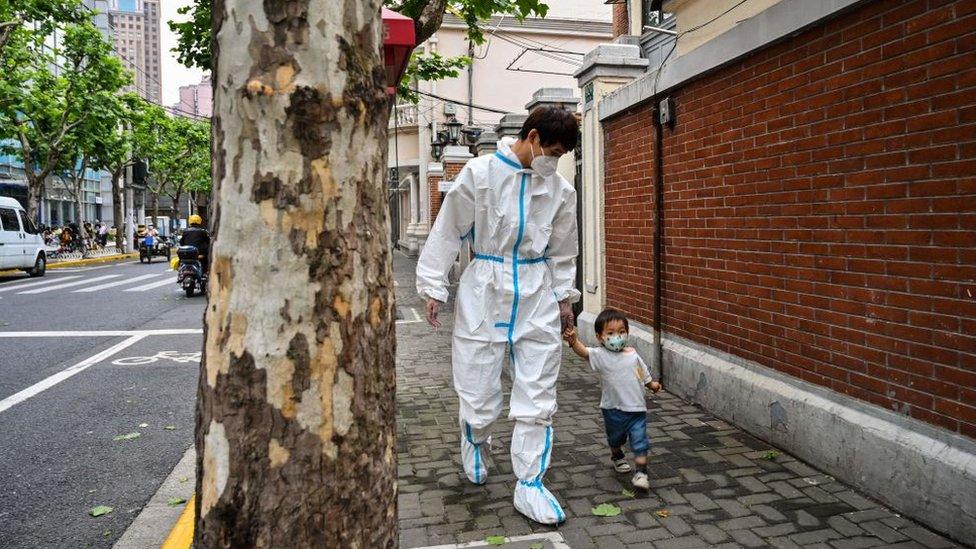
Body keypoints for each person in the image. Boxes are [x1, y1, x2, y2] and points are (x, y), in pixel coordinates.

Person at [416, 106, 580, 525]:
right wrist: (433, 284)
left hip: (535, 293)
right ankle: (474, 436)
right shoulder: (481, 173)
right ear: (533, 137)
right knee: (478, 390)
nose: (554, 160)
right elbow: (448, 228)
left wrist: (565, 300)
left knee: (538, 393)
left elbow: (563, 251)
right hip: (485, 289)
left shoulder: (560, 191)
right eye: (554, 151)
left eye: (562, 156)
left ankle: (530, 483)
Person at [562, 309, 662, 490]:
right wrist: (574, 341)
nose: (617, 336)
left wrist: (651, 384)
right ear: (600, 337)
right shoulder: (601, 355)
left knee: (640, 441)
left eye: (621, 332)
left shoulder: (633, 354)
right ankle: (617, 455)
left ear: (627, 333)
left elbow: (642, 372)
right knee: (616, 439)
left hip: (637, 409)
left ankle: (641, 473)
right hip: (612, 409)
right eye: (611, 333)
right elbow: (584, 352)